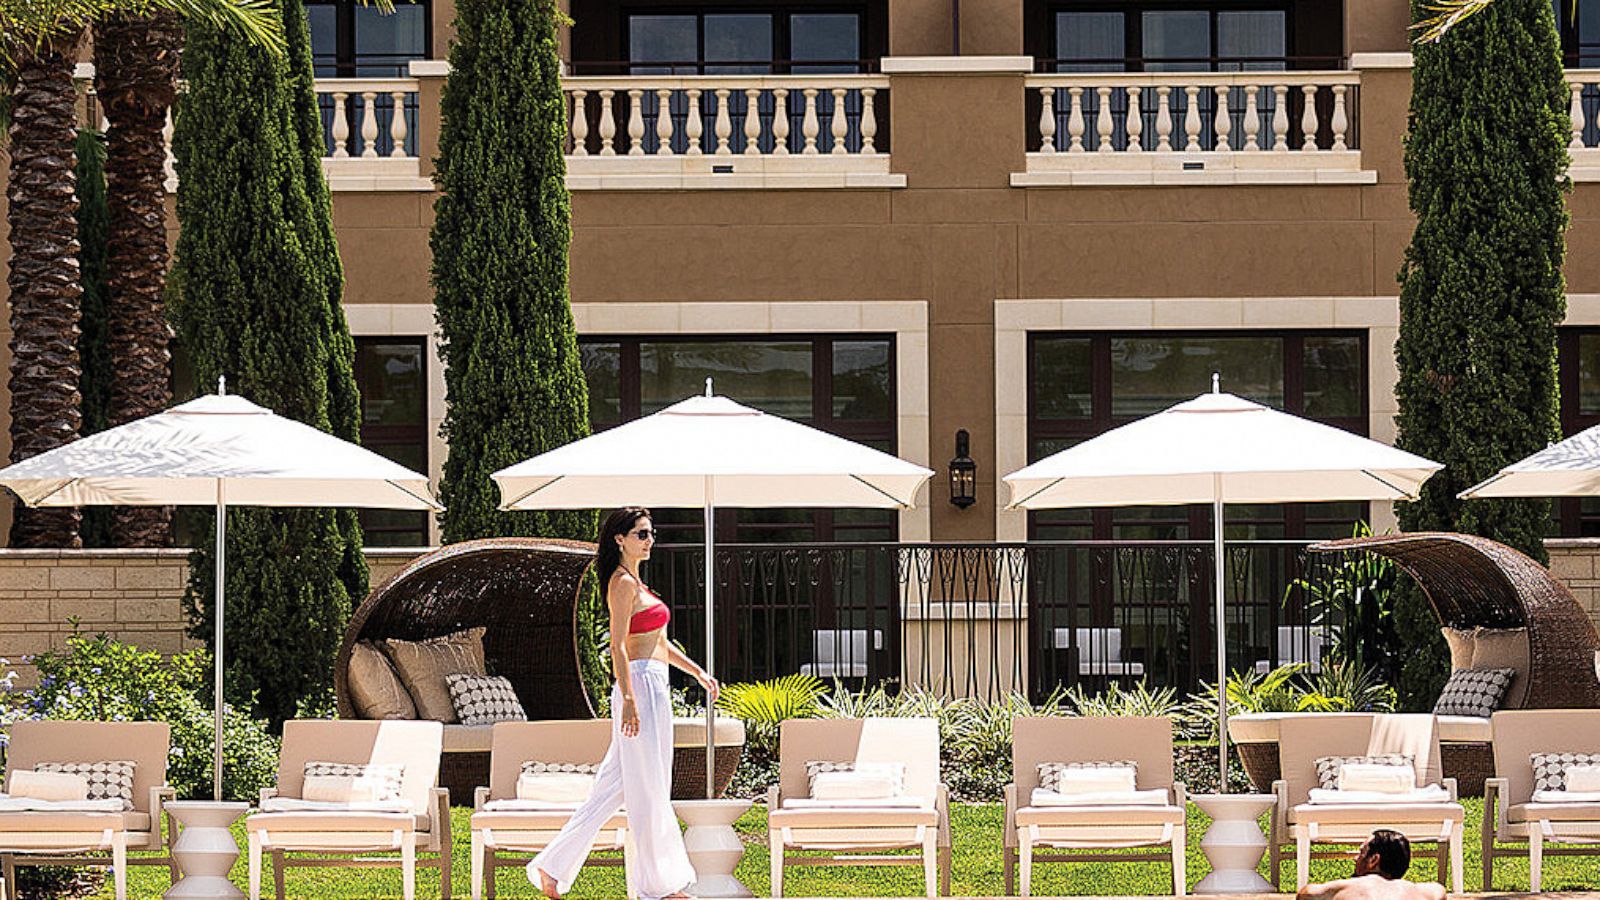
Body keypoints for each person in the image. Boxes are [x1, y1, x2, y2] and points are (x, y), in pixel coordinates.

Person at [529, 507, 718, 900]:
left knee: (613, 788)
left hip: (654, 685)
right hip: (640, 689)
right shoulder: (622, 584)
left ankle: (552, 866)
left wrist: (698, 672)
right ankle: (660, 887)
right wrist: (629, 698)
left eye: (651, 533)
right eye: (641, 534)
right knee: (649, 788)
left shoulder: (638, 584)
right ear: (620, 539)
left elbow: (660, 646)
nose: (649, 540)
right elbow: (618, 645)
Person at [1297, 830, 1448, 900]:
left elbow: (1306, 894)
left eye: (1361, 853)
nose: (1356, 859)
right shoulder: (1422, 892)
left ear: (1374, 860)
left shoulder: (1348, 887)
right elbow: (1439, 890)